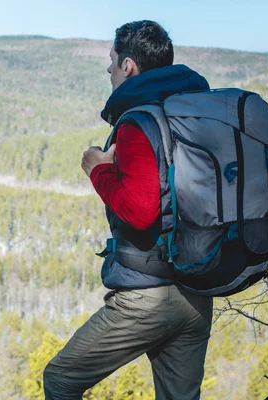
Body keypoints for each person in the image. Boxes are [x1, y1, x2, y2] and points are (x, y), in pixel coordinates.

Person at [43, 20, 214, 400]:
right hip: (199, 290)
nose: (108, 68)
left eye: (111, 60)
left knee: (60, 379)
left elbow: (140, 212)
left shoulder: (139, 121)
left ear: (129, 66)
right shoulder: (191, 115)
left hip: (150, 296)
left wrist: (98, 169)